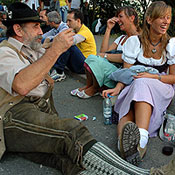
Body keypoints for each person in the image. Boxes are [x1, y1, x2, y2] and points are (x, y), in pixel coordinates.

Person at [0, 2, 175, 175]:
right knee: (73, 133)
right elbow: (21, 86)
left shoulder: (31, 48)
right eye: (36, 26)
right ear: (18, 30)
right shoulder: (4, 52)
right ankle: (145, 174)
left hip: (34, 113)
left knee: (64, 159)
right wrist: (56, 50)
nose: (41, 31)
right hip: (14, 114)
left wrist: (56, 47)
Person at [103, 1, 175, 166]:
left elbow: (173, 77)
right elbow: (127, 72)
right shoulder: (135, 42)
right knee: (126, 106)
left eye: (168, 18)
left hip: (161, 86)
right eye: (161, 17)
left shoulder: (171, 45)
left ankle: (140, 143)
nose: (166, 21)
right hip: (136, 84)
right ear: (149, 20)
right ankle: (126, 145)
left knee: (141, 83)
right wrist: (118, 88)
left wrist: (152, 77)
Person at [71, 6, 140, 98]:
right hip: (113, 68)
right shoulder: (121, 38)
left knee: (93, 58)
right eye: (117, 17)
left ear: (131, 18)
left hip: (122, 73)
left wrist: (105, 56)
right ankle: (89, 86)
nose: (118, 20)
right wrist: (108, 29)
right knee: (92, 58)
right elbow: (103, 52)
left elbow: (128, 60)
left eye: (120, 16)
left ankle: (95, 88)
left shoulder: (139, 38)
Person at [42, 11, 86, 81]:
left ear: (78, 21)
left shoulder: (85, 32)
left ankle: (59, 72)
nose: (67, 24)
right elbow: (44, 37)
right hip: (75, 63)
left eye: (69, 21)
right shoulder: (74, 30)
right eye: (66, 21)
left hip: (85, 65)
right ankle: (51, 67)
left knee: (67, 43)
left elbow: (66, 41)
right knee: (62, 42)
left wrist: (47, 44)